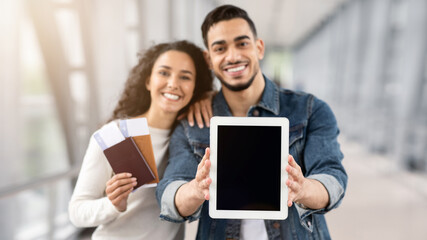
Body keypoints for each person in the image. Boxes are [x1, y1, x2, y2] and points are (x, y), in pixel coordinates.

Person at [156, 5, 348, 240]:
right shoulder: (193, 124)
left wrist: (304, 188)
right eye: (220, 48)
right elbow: (169, 192)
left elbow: (332, 177)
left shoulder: (310, 111)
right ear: (209, 58)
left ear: (259, 48)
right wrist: (194, 191)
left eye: (242, 43)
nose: (233, 56)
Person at [68, 40, 214, 240]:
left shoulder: (191, 139)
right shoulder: (115, 134)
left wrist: (209, 96)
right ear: (148, 81)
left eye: (185, 77)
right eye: (164, 73)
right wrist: (112, 204)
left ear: (195, 88)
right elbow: (77, 212)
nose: (173, 83)